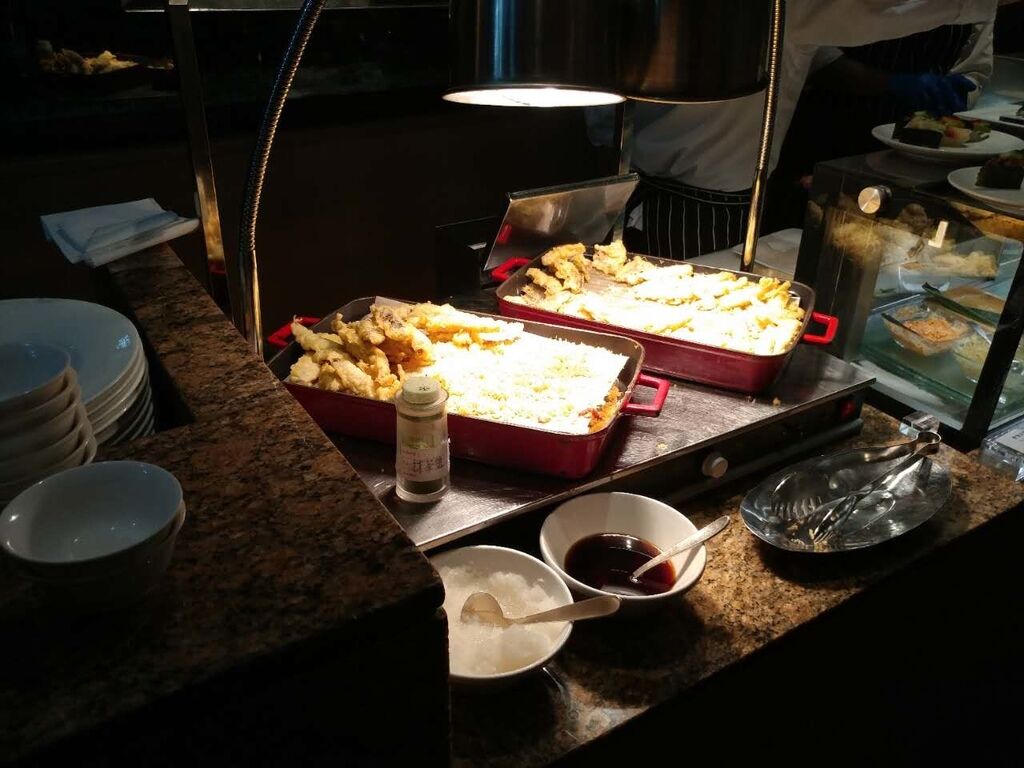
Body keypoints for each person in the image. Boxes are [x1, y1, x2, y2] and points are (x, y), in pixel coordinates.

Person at [588, 0, 999, 260]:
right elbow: (879, 12)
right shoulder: (788, 7)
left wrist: (892, 84)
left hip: (629, 180)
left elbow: (814, 51)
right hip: (706, 202)